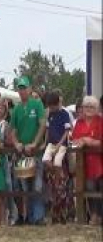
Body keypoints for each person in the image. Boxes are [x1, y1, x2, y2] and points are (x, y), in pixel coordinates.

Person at [10, 76, 46, 224]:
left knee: (37, 185)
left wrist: (35, 143)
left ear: (30, 89)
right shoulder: (17, 109)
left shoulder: (37, 104)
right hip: (22, 153)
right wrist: (17, 143)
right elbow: (12, 130)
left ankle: (38, 217)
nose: (22, 90)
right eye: (20, 88)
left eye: (24, 87)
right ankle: (31, 217)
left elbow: (42, 124)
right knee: (25, 186)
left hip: (35, 152)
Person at [72, 96, 103, 224]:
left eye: (92, 107)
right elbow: (74, 140)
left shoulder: (100, 121)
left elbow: (101, 142)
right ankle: (94, 215)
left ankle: (100, 216)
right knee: (90, 188)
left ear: (96, 109)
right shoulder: (79, 123)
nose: (89, 109)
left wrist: (87, 141)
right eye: (86, 106)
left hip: (100, 161)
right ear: (82, 108)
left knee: (101, 187)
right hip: (85, 164)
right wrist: (81, 141)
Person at [42, 92, 72, 223]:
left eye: (52, 106)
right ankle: (54, 216)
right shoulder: (50, 114)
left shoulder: (65, 114)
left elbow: (67, 131)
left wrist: (60, 144)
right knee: (53, 189)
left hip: (61, 149)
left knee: (62, 189)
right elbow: (47, 130)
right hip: (51, 145)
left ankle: (64, 216)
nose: (51, 108)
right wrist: (45, 142)